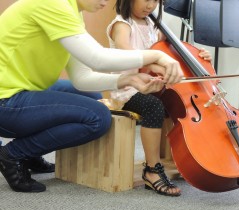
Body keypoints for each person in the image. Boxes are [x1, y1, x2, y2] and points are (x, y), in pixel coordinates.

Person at [0, 0, 184, 193]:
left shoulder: (73, 13)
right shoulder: (51, 3)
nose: (105, 2)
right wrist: (156, 56)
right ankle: (13, 154)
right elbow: (97, 58)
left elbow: (82, 78)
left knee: (92, 97)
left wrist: (129, 80)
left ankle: (32, 152)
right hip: (5, 101)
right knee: (97, 117)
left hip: (20, 91)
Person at [106, 0, 212, 196]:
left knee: (178, 104)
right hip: (127, 88)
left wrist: (199, 55)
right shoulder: (122, 24)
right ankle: (152, 170)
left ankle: (185, 159)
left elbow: (176, 53)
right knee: (154, 107)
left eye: (155, 1)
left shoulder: (155, 27)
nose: (150, 5)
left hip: (154, 86)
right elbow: (124, 50)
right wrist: (152, 64)